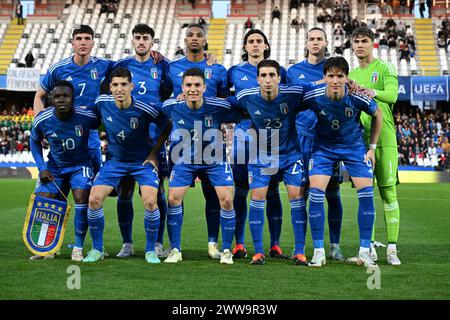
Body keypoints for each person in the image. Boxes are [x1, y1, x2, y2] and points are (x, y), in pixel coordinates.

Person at [33, 24, 114, 260]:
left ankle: (93, 246)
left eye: (87, 38)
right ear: (72, 42)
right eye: (78, 38)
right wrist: (45, 124)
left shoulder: (102, 65)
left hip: (88, 136)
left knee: (91, 197)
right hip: (61, 133)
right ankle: (48, 246)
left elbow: (128, 68)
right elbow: (39, 95)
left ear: (92, 42)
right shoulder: (59, 68)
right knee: (53, 197)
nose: (83, 42)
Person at [301, 56, 382, 268]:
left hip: (354, 147)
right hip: (323, 148)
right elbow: (293, 99)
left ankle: (365, 251)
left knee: (366, 193)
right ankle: (319, 251)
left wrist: (371, 148)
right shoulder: (314, 95)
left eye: (340, 76)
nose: (335, 80)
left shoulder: (357, 96)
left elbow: (378, 113)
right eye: (330, 76)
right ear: (324, 77)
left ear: (347, 78)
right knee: (316, 194)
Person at [84, 67, 169, 263]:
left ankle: (150, 250)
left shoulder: (146, 108)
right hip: (115, 162)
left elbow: (167, 125)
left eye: (123, 84)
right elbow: (89, 121)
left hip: (142, 162)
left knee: (150, 201)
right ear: (110, 88)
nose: (119, 89)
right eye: (115, 85)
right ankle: (98, 249)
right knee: (94, 199)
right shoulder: (102, 103)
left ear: (131, 86)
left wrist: (154, 153)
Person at [228, 60, 308, 266]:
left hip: (290, 155)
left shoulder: (293, 93)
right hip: (261, 154)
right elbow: (224, 104)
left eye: (272, 75)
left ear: (279, 78)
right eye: (263, 75)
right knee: (257, 196)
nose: (268, 79)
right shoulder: (246, 97)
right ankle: (258, 252)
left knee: (296, 196)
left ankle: (299, 252)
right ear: (257, 79)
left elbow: (318, 89)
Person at [162, 24, 229, 260]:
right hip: (183, 144)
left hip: (211, 143)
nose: (194, 39)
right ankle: (174, 247)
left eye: (199, 35)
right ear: (184, 39)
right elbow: (166, 99)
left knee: (214, 195)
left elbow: (224, 102)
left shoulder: (218, 68)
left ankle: (213, 244)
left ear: (205, 40)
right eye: (190, 35)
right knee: (174, 196)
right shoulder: (171, 67)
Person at [161, 68, 241, 264]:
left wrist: (230, 98)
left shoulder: (218, 106)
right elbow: (154, 115)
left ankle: (226, 251)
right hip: (185, 160)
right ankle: (175, 249)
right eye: (188, 85)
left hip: (214, 160)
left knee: (227, 200)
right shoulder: (171, 105)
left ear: (205, 87)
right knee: (173, 198)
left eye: (197, 85)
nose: (193, 89)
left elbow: (240, 108)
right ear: (182, 88)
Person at [227, 29, 288, 260]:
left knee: (271, 190)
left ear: (265, 46)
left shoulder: (279, 71)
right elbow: (224, 101)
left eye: (259, 41)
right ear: (244, 47)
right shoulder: (234, 72)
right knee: (241, 190)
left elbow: (289, 100)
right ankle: (240, 244)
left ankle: (275, 245)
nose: (254, 45)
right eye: (250, 41)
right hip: (243, 134)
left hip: (270, 136)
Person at [111, 24, 171, 259]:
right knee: (124, 190)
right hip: (126, 139)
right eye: (138, 38)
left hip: (154, 138)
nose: (141, 42)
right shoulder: (121, 66)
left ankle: (157, 242)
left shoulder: (162, 65)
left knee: (157, 190)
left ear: (152, 42)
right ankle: (127, 243)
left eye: (145, 38)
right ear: (132, 40)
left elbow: (178, 79)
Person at [287, 27, 346, 262]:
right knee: (299, 193)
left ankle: (334, 246)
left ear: (326, 42)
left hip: (327, 139)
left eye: (319, 39)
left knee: (332, 192)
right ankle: (300, 247)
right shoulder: (293, 71)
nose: (315, 42)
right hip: (300, 139)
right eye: (311, 38)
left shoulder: (335, 70)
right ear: (306, 42)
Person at [29, 81, 100, 261]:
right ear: (51, 98)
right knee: (43, 200)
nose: (61, 99)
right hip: (55, 168)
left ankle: (78, 248)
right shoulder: (42, 119)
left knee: (81, 197)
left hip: (80, 166)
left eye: (65, 96)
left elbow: (107, 125)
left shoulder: (86, 116)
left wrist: (100, 165)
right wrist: (42, 168)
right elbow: (34, 141)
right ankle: (48, 247)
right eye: (57, 96)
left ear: (73, 99)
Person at [349, 26, 401, 266]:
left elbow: (392, 96)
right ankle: (367, 247)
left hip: (386, 140)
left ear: (372, 43)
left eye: (364, 41)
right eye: (356, 41)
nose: (360, 45)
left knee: (388, 193)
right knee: (365, 195)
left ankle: (392, 248)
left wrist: (372, 91)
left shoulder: (384, 67)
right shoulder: (351, 74)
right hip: (361, 143)